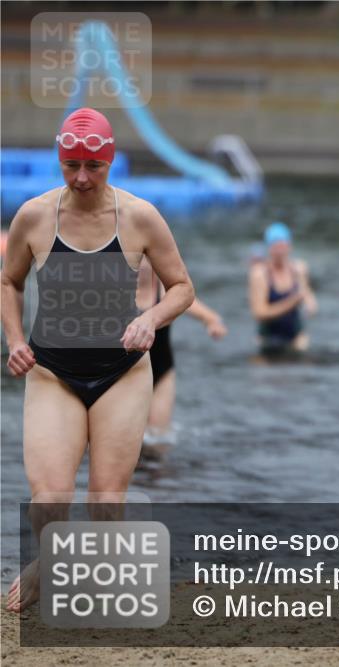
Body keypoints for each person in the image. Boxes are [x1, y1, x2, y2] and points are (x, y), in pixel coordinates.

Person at [1, 108, 194, 612]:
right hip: (50, 373)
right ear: (59, 161)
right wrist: (15, 339)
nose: (82, 177)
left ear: (109, 161)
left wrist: (151, 320)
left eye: (93, 165)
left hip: (122, 374)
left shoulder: (140, 216)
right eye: (71, 166)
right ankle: (50, 560)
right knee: (49, 501)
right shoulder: (35, 216)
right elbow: (8, 281)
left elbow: (182, 288)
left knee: (106, 503)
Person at [136, 259, 227, 459]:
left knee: (157, 441)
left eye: (147, 258)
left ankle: (160, 486)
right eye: (138, 257)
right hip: (128, 378)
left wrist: (211, 320)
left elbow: (190, 302)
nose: (142, 264)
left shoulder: (162, 288)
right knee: (129, 443)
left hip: (162, 373)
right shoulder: (115, 293)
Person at [248, 222, 317, 355]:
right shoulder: (259, 274)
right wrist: (291, 302)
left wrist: (310, 305)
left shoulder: (299, 269)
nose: (280, 251)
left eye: (283, 245)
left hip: (296, 338)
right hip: (267, 339)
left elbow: (306, 295)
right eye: (276, 246)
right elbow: (259, 313)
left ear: (289, 246)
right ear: (269, 248)